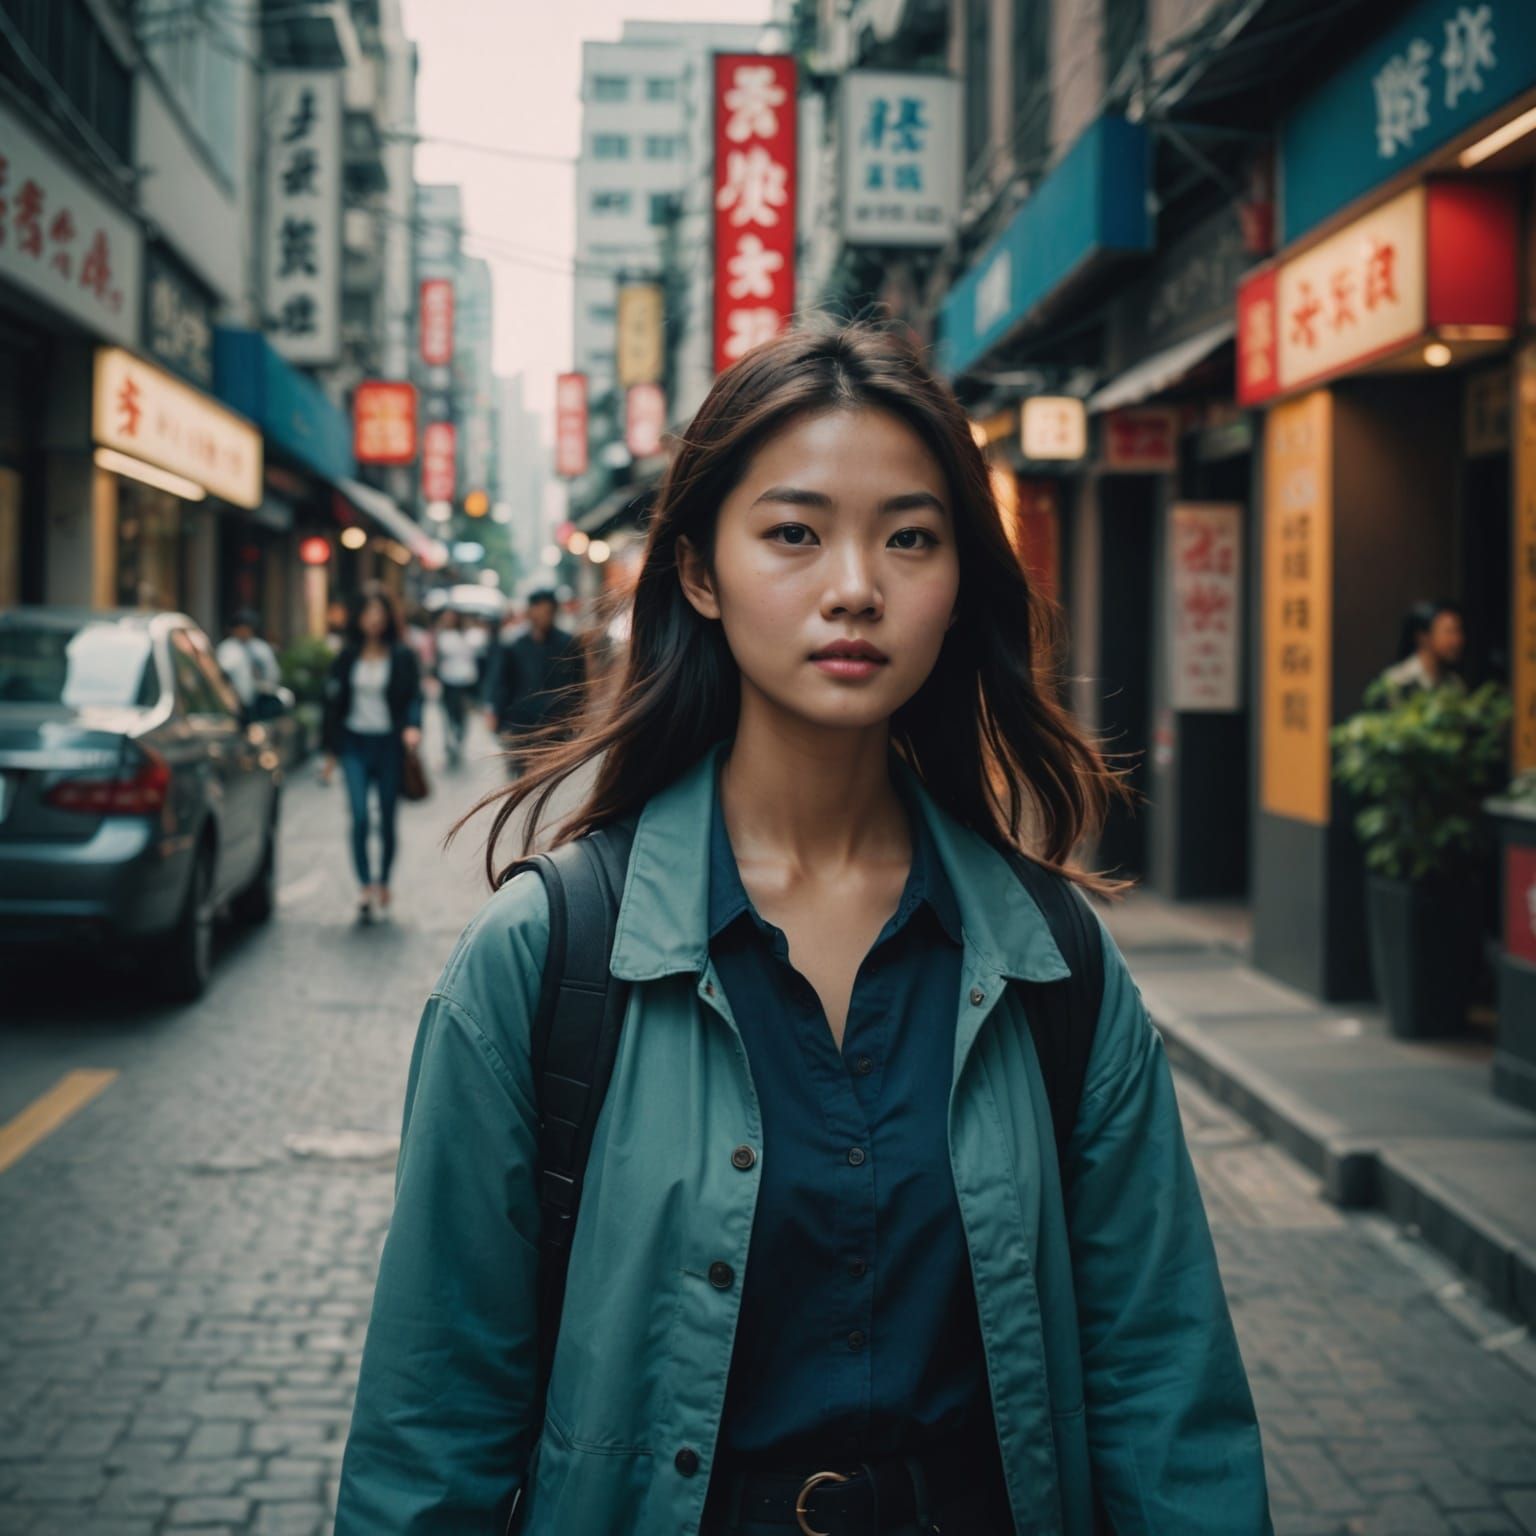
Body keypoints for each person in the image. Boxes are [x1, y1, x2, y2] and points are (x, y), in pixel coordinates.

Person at [335, 324, 1272, 1536]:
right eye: (794, 532)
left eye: (910, 538)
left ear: (956, 583)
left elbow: (1165, 1393)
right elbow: (430, 1437)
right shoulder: (547, 958)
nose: (855, 586)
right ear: (701, 572)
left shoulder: (1051, 961)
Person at [322, 584, 423, 923]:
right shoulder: (347, 655)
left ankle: (384, 881)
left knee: (388, 818)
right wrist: (330, 752)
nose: (374, 620)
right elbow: (332, 703)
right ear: (359, 618)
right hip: (354, 744)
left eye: (379, 614)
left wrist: (412, 726)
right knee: (361, 816)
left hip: (389, 745)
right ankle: (365, 884)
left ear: (388, 618)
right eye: (368, 613)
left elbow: (413, 696)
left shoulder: (403, 655)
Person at [483, 587, 586, 775]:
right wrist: (495, 711)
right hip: (521, 723)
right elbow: (501, 681)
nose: (541, 616)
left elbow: (579, 684)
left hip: (556, 724)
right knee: (521, 776)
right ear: (529, 612)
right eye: (537, 610)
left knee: (553, 775)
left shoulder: (568, 643)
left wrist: (578, 715)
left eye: (546, 611)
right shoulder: (514, 644)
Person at [1376, 599, 1467, 706]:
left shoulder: (1455, 685)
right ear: (1423, 637)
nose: (1458, 640)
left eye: (1459, 631)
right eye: (1449, 632)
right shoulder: (1398, 682)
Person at [434, 608, 480, 768]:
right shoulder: (441, 636)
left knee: (461, 713)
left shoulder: (468, 635)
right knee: (448, 713)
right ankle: (450, 742)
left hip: (464, 681)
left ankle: (458, 739)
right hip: (447, 681)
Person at [215, 609, 279, 708]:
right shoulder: (227, 649)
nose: (244, 631)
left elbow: (272, 674)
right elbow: (220, 675)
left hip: (260, 702)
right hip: (233, 702)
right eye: (240, 628)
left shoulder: (261, 648)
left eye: (246, 628)